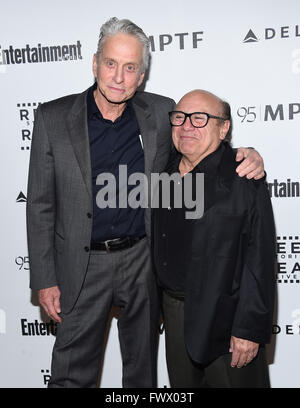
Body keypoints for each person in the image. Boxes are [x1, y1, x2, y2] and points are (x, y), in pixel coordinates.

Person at [26, 17, 265, 388]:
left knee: (143, 373)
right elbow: (39, 204)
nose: (118, 77)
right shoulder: (53, 118)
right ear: (94, 63)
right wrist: (45, 278)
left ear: (141, 77)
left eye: (130, 67)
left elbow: (200, 149)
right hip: (80, 263)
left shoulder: (161, 113)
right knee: (71, 373)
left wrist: (245, 155)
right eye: (110, 63)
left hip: (143, 262)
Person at [153, 89, 276, 388]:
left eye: (200, 118)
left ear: (224, 128)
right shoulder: (162, 172)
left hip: (226, 320)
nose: (186, 126)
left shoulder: (243, 177)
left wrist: (248, 328)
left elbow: (260, 259)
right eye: (179, 118)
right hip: (174, 314)